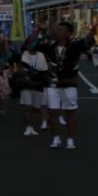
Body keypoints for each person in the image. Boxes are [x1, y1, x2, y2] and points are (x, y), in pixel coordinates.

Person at [36, 22, 90, 150]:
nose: (58, 32)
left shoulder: (75, 46)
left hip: (68, 84)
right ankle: (56, 139)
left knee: (70, 114)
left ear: (69, 33)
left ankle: (70, 140)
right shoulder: (50, 46)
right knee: (53, 113)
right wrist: (40, 31)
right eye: (57, 30)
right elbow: (31, 46)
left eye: (62, 30)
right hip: (53, 85)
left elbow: (88, 40)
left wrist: (93, 29)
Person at [17, 42, 49, 136]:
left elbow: (44, 70)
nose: (32, 46)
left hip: (38, 85)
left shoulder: (41, 55)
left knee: (36, 108)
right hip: (26, 85)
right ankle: (28, 127)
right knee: (27, 107)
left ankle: (32, 127)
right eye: (30, 44)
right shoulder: (24, 54)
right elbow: (22, 69)